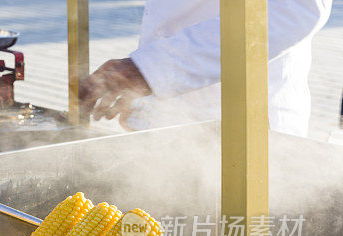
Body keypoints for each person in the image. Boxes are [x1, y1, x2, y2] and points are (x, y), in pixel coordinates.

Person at [78, 0, 333, 137]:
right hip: (171, 127)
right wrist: (151, 93)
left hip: (243, 125)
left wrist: (151, 70)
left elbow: (295, 11)